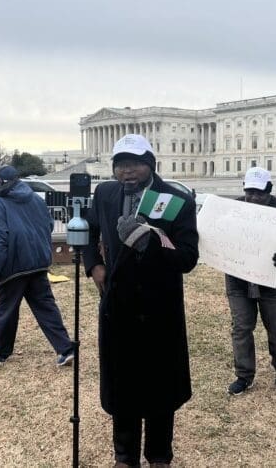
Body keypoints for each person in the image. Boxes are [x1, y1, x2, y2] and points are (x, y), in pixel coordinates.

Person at [83, 134, 199, 468]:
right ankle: (124, 456)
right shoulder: (105, 193)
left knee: (160, 385)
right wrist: (95, 266)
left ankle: (159, 455)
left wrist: (149, 244)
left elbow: (188, 258)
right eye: (121, 165)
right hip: (118, 304)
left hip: (158, 307)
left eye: (134, 164)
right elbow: (89, 231)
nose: (127, 172)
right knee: (123, 384)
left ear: (150, 164)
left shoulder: (175, 199)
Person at [0, 165, 74, 366]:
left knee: (7, 310)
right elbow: (48, 226)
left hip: (12, 265)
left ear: (2, 182)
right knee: (46, 307)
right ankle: (66, 349)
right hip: (38, 262)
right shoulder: (36, 200)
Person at [225, 167, 276, 396]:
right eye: (250, 192)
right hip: (238, 278)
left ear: (269, 191)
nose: (254, 198)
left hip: (272, 280)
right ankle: (243, 375)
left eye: (259, 193)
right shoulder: (235, 209)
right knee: (241, 328)